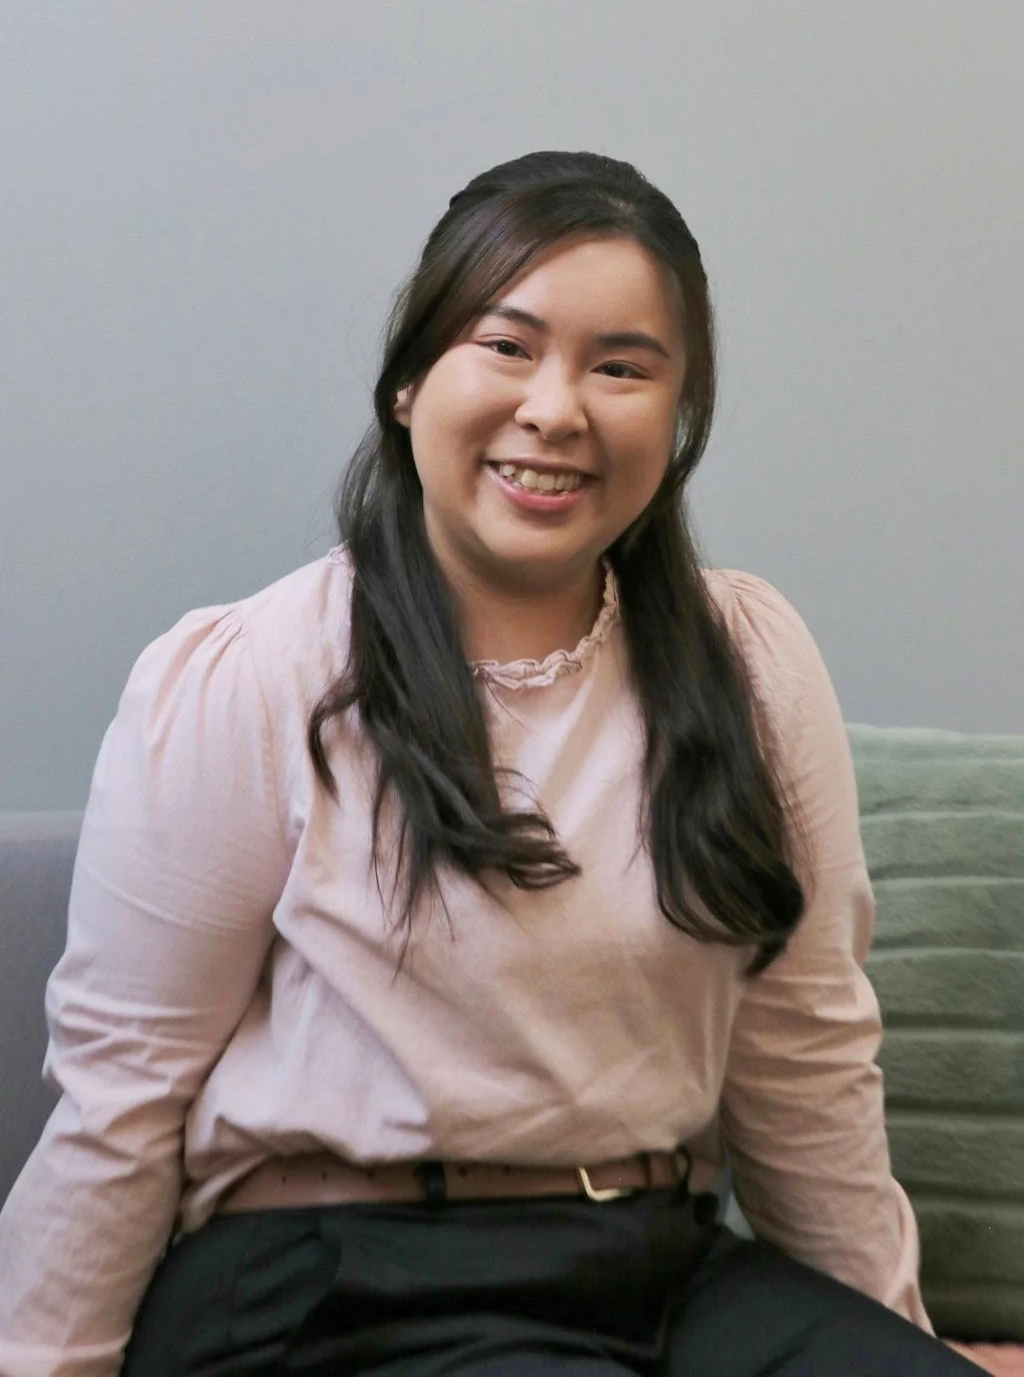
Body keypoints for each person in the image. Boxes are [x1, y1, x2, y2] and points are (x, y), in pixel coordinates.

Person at [0, 151, 977, 1376]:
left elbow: (806, 1062)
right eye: (506, 346)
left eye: (620, 367)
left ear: (678, 416)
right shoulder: (254, 673)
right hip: (336, 1286)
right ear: (410, 381)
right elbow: (124, 1089)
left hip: (663, 1270)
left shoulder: (748, 661)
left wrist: (891, 1337)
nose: (557, 410)